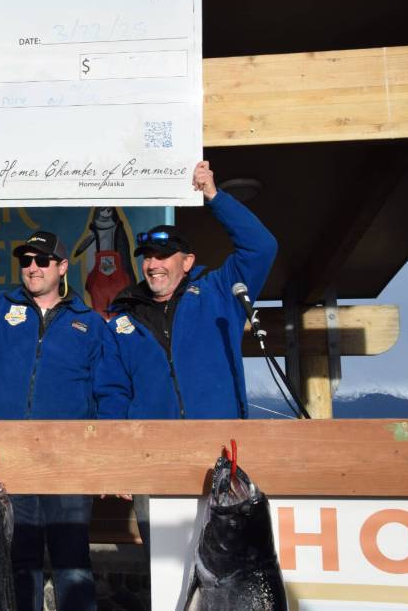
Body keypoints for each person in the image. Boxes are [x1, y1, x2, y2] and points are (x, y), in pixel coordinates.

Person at [101, 159, 278, 555]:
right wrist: (117, 460)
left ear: (187, 261)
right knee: (165, 571)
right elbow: (112, 393)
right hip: (154, 461)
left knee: (228, 566)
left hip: (220, 459)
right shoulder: (121, 320)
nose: (153, 264)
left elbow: (262, 246)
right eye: (147, 255)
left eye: (164, 255)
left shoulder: (219, 291)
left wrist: (215, 197)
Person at [0, 204, 119, 611]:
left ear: (62, 266)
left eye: (42, 260)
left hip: (70, 461)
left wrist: (110, 459)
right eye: (26, 261)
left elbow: (110, 394)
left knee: (73, 563)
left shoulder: (90, 323)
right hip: (10, 459)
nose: (32, 267)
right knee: (18, 562)